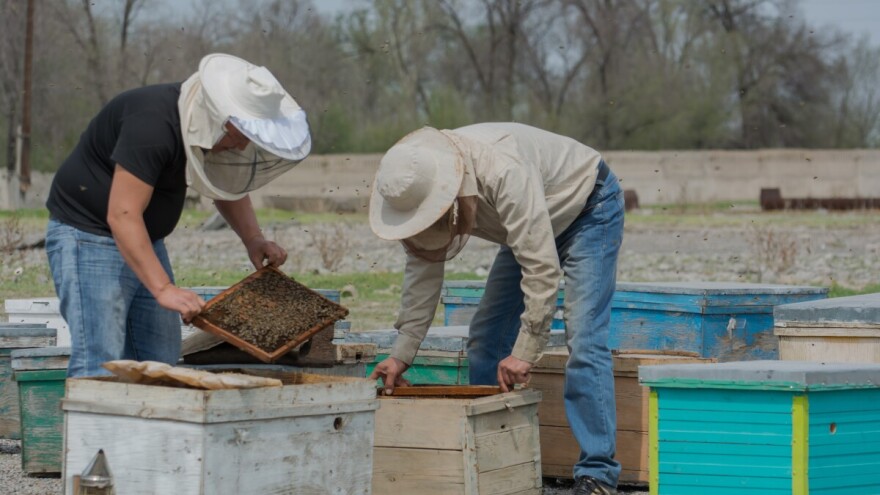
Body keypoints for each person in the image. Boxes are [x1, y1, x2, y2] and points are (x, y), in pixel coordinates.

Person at [367, 123, 624, 495]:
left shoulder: (502, 169)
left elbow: (541, 268)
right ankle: (493, 460)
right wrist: (401, 354)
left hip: (588, 206)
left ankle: (598, 473)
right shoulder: (419, 177)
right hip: (530, 223)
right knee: (487, 339)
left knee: (583, 338)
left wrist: (525, 352)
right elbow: (423, 271)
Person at [45, 53, 311, 378]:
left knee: (161, 364)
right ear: (218, 120)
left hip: (145, 238)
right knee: (100, 364)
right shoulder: (152, 124)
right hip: (88, 236)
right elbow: (123, 214)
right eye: (239, 137)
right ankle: (95, 431)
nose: (241, 148)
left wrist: (253, 239)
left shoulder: (209, 131)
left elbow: (225, 186)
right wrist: (162, 288)